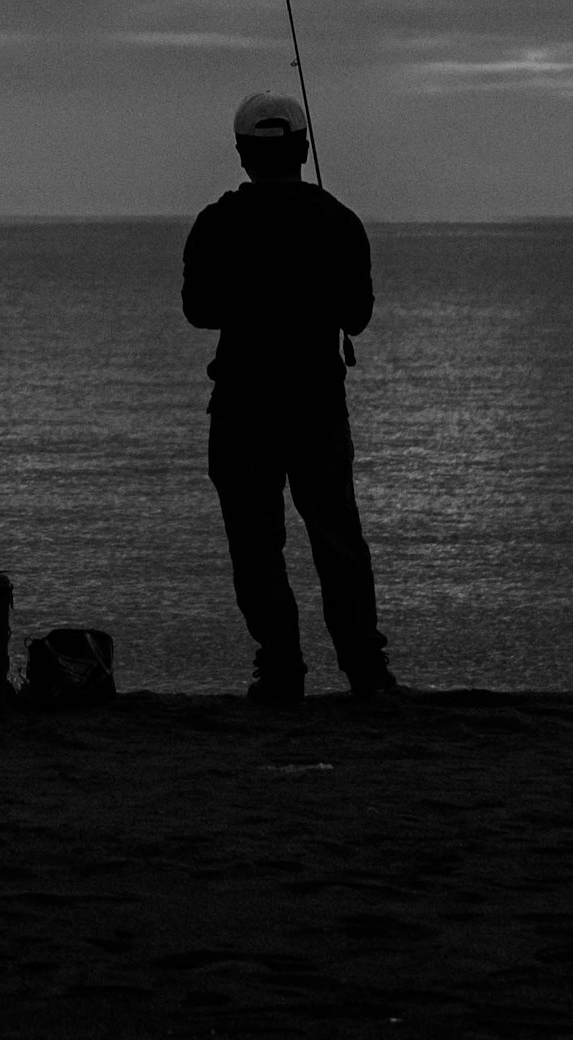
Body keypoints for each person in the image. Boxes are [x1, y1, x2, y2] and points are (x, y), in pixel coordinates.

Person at [182, 90, 397, 703]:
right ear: (303, 149)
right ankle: (366, 672)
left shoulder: (217, 222)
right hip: (317, 407)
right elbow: (356, 318)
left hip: (243, 407)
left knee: (255, 545)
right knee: (337, 539)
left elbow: (199, 310)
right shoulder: (340, 222)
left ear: (243, 155)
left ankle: (280, 670)